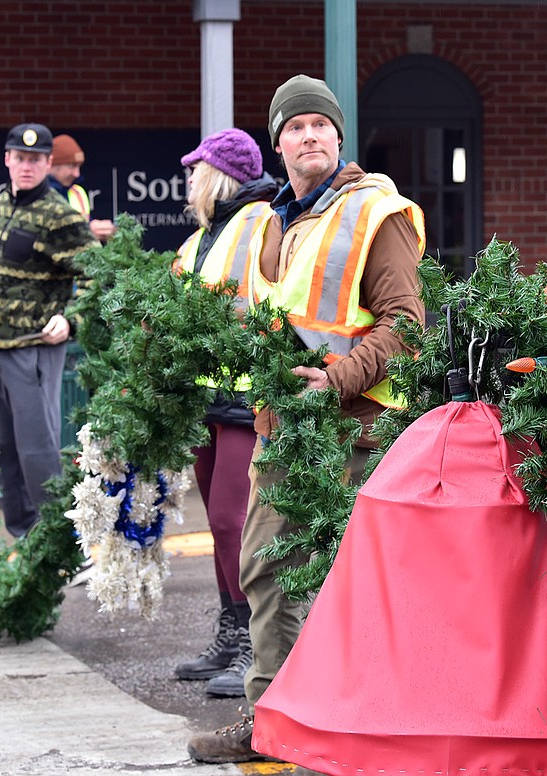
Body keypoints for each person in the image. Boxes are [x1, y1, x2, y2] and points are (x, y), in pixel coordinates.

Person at [186, 74, 426, 763]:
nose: (308, 135)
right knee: (265, 568)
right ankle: (272, 722)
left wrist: (337, 380)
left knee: (350, 584)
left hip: (354, 427)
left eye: (320, 124)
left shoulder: (375, 212)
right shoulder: (270, 222)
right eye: (295, 127)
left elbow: (407, 325)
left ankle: (361, 725)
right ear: (278, 142)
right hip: (282, 426)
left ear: (339, 136)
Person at [0, 123, 98, 537]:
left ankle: (61, 542)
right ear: (7, 159)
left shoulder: (61, 216)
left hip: (33, 347)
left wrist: (71, 319)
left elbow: (97, 277)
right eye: (20, 157)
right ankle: (23, 536)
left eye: (36, 159)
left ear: (49, 163)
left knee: (37, 451)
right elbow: (0, 272)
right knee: (2, 450)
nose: (27, 166)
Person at [170, 128, 279, 697]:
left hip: (246, 398)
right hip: (208, 398)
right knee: (217, 521)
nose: (189, 181)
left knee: (235, 520)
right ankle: (230, 633)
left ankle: (253, 649)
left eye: (196, 170)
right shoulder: (200, 240)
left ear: (218, 175)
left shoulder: (263, 221)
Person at [48, 133, 116, 244]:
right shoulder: (36, 194)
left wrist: (99, 229)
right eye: (72, 166)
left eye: (79, 166)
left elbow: (83, 223)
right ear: (51, 164)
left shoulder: (77, 192)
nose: (77, 174)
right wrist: (87, 231)